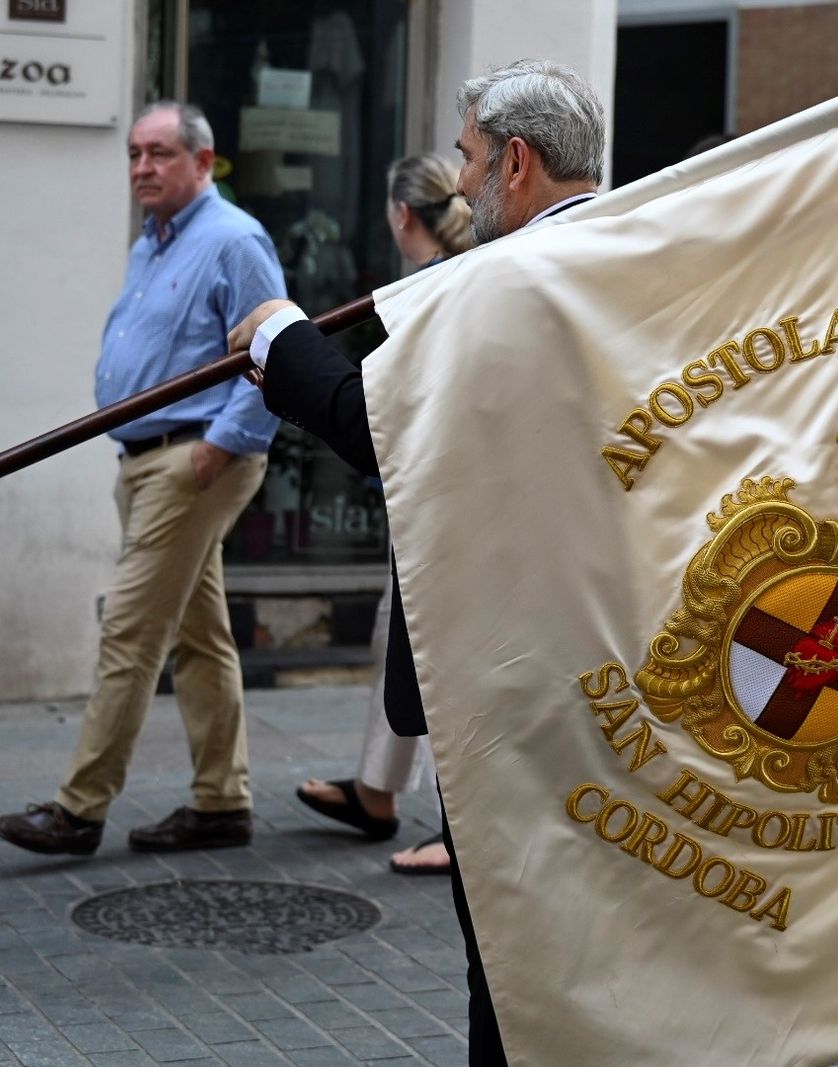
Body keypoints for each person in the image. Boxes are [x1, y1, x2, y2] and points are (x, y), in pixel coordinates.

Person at [229, 59, 604, 1064]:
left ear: (517, 163)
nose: (463, 186)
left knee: (512, 960)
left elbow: (389, 433)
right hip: (598, 653)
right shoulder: (630, 254)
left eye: (472, 160)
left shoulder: (505, 277)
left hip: (512, 670)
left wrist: (281, 336)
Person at [0, 102, 284, 857]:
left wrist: (217, 448)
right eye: (133, 155)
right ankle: (222, 802)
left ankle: (79, 809)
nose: (142, 169)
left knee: (129, 629)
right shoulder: (152, 243)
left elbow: (273, 352)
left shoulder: (232, 239)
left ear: (202, 159)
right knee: (199, 633)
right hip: (145, 457)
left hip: (190, 462)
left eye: (158, 154)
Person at [293, 153, 474, 877]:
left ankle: (458, 829)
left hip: (439, 488)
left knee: (429, 648)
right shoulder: (450, 277)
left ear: (402, 214)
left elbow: (387, 413)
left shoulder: (432, 288)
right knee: (399, 635)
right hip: (430, 484)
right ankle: (375, 789)